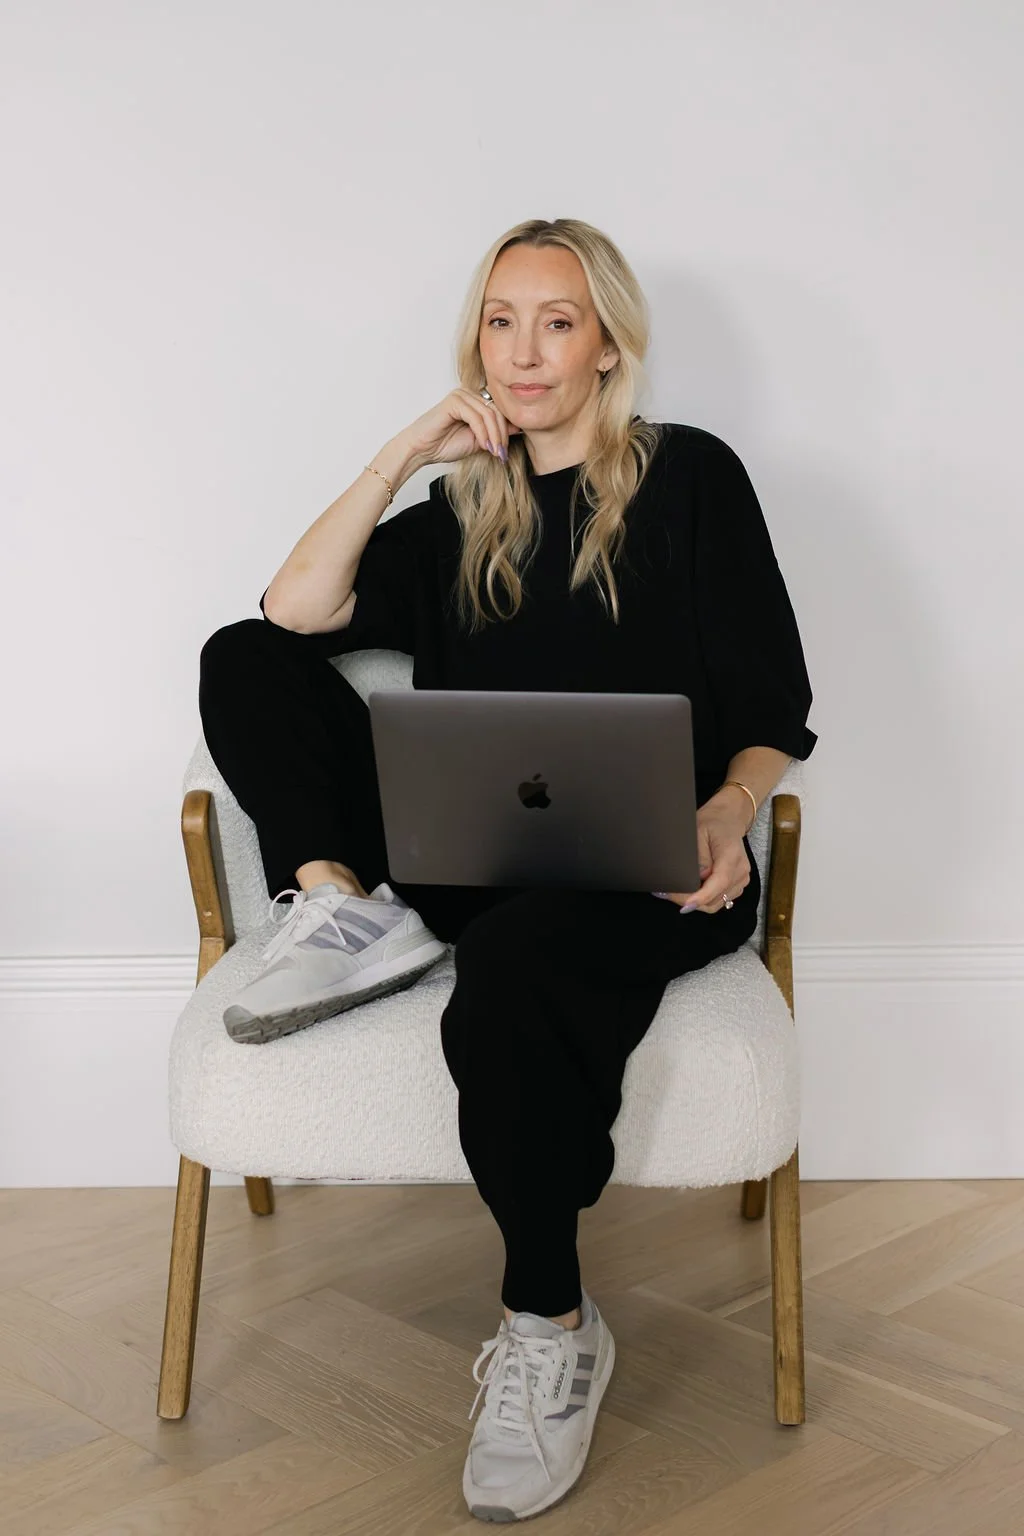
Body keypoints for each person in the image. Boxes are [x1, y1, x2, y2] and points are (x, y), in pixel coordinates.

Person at [197, 216, 817, 1523]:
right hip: (465, 856)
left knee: (519, 977)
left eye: (558, 320)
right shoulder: (458, 509)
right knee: (238, 654)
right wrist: (401, 456)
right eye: (501, 319)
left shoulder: (690, 480)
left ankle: (551, 1324)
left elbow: (774, 702)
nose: (526, 350)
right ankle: (341, 907)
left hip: (655, 867)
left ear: (606, 347)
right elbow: (294, 615)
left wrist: (724, 812)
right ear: (475, 344)